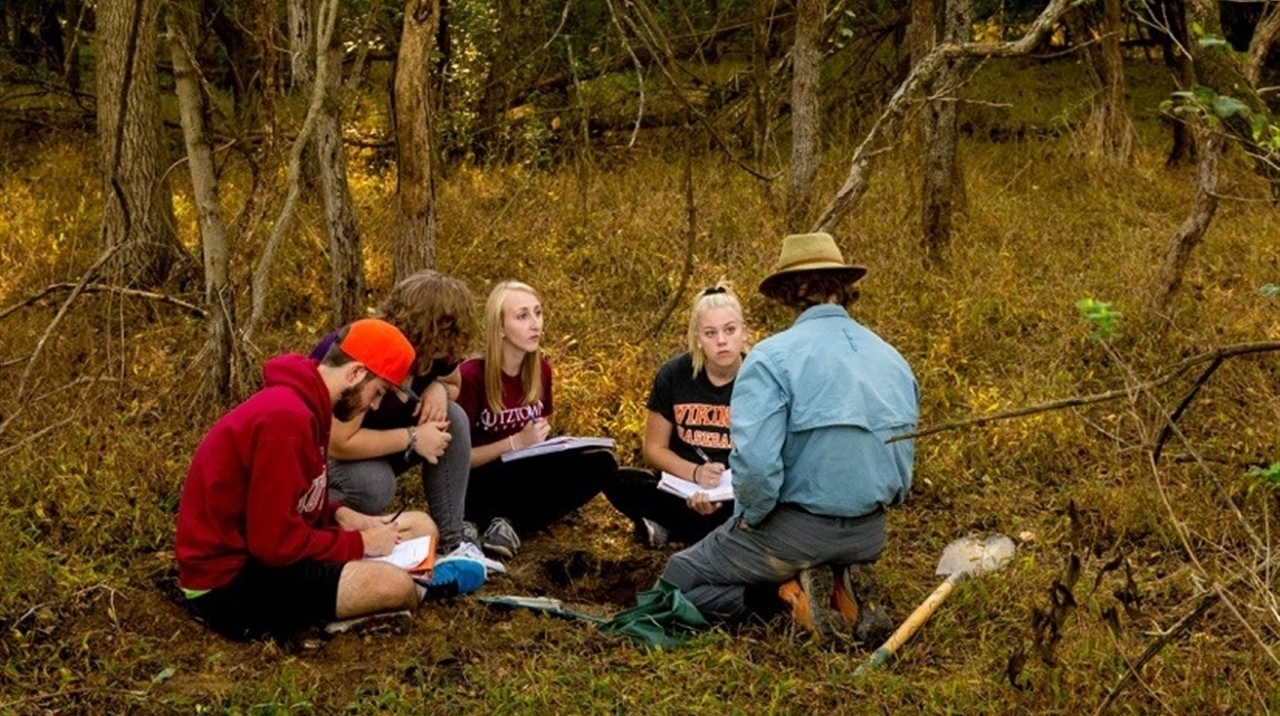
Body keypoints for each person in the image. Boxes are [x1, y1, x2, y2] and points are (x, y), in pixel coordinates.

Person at [660, 233, 919, 646]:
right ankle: (842, 579)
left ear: (785, 293)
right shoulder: (893, 358)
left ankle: (785, 600)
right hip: (871, 532)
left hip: (798, 533)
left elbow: (759, 471)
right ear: (843, 287)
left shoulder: (771, 358)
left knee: (677, 580)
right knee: (822, 546)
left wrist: (750, 521)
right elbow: (904, 464)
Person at [175, 319, 483, 641]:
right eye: (377, 392)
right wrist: (361, 543)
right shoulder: (285, 420)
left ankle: (383, 590)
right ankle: (415, 591)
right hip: (227, 583)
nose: (376, 405)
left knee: (421, 526)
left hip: (266, 550)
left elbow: (297, 501)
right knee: (392, 585)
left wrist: (339, 514)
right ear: (354, 373)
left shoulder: (309, 405)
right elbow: (275, 546)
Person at [310, 270, 501, 572]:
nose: (449, 347)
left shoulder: (439, 353)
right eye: (445, 333)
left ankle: (452, 543)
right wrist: (413, 437)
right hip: (327, 456)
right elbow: (338, 443)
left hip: (382, 440)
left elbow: (454, 384)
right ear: (422, 327)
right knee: (375, 484)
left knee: (453, 418)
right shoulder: (373, 345)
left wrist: (438, 389)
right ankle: (327, 529)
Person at [456, 280, 618, 559]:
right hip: (478, 478)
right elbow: (457, 461)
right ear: (500, 327)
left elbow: (535, 441)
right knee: (488, 479)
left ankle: (508, 524)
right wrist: (514, 442)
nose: (535, 324)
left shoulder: (540, 371)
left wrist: (545, 441)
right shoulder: (471, 375)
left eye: (538, 313)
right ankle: (480, 521)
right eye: (522, 316)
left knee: (601, 463)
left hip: (522, 472)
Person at [604, 283, 747, 548]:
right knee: (616, 478)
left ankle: (682, 529)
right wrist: (695, 474)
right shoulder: (673, 375)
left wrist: (727, 487)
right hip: (681, 489)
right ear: (697, 338)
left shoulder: (759, 377)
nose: (722, 341)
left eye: (730, 330)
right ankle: (696, 530)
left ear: (743, 331)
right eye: (710, 333)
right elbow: (653, 449)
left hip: (736, 495)